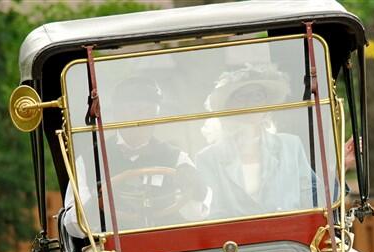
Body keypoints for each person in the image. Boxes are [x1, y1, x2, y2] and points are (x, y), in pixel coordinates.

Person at [62, 76, 208, 237]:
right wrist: (96, 204)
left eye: (148, 110)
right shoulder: (90, 160)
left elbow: (197, 215)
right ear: (117, 114)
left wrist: (196, 189)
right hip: (108, 247)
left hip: (167, 243)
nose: (140, 116)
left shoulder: (176, 157)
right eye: (132, 109)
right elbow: (73, 226)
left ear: (156, 116)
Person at [195, 64, 318, 220]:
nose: (251, 102)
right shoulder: (208, 158)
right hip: (234, 242)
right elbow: (211, 213)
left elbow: (315, 198)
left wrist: (343, 166)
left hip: (290, 237)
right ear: (228, 105)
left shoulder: (291, 145)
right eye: (242, 96)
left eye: (258, 96)